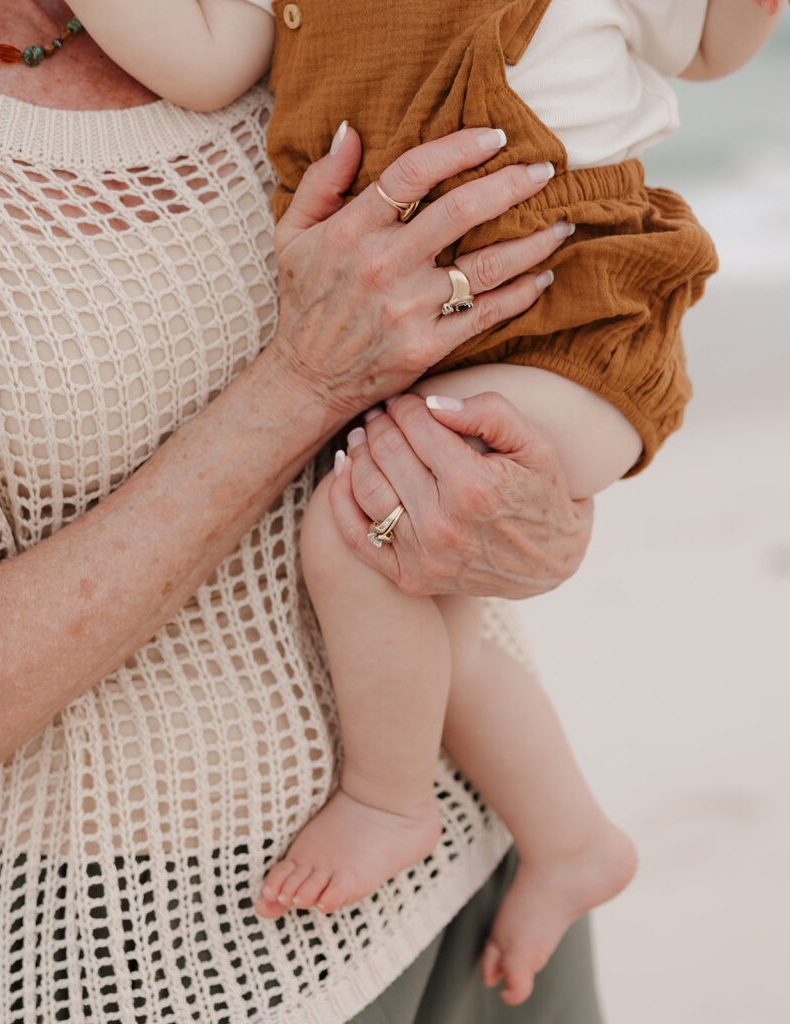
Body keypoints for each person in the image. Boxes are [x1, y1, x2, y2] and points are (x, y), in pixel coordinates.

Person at [61, 0, 785, 1005]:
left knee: (359, 530)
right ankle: (570, 835)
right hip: (436, 337)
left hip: (577, 307)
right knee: (439, 618)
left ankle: (387, 799)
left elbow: (705, 44)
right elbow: (207, 60)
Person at [0, 4, 606, 1023]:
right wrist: (304, 382)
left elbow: (521, 276)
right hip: (155, 949)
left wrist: (535, 505)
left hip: (491, 842)